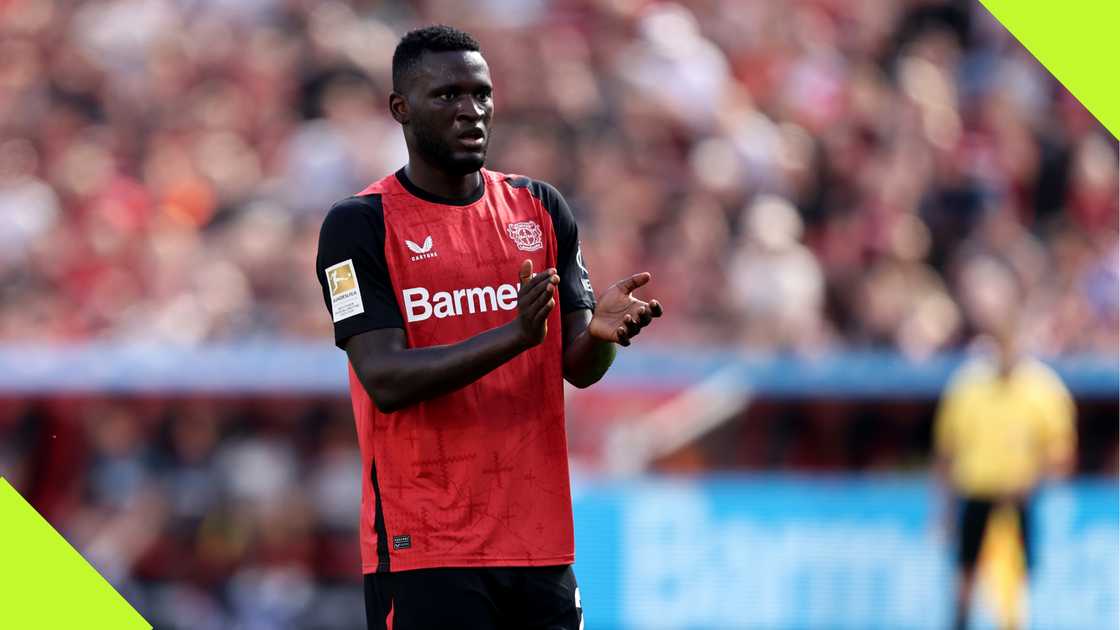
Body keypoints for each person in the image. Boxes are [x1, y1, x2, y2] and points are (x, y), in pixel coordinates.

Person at [315, 25, 662, 630]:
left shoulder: (540, 208)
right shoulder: (358, 226)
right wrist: (515, 336)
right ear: (401, 108)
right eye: (447, 96)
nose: (470, 111)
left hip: (539, 543)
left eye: (481, 94)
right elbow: (386, 378)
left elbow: (576, 368)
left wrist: (601, 340)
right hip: (424, 548)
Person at [934, 321, 1076, 630]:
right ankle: (961, 622)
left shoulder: (1042, 389)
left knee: (1017, 574)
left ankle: (1013, 624)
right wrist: (943, 508)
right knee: (967, 570)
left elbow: (1060, 450)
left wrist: (1034, 480)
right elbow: (947, 450)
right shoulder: (968, 387)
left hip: (1019, 495)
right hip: (976, 490)